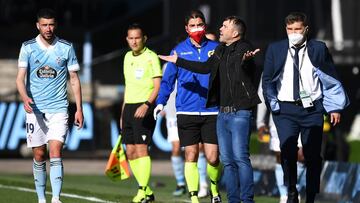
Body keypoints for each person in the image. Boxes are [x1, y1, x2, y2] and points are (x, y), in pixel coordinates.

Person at [159, 16, 261, 203]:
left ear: (235, 33)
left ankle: (247, 200)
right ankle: (232, 199)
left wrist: (247, 61)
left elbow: (248, 68)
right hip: (221, 112)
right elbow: (205, 68)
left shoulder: (245, 48)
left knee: (240, 158)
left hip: (240, 112)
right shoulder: (220, 49)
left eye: (224, 26)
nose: (220, 28)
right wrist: (178, 61)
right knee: (228, 162)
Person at [262, 12, 349, 203]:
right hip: (285, 110)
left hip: (312, 109)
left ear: (306, 29)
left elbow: (331, 78)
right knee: (287, 152)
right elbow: (267, 80)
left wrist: (334, 107)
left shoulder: (318, 48)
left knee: (312, 155)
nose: (293, 33)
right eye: (290, 29)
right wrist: (273, 105)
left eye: (297, 29)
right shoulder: (275, 49)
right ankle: (291, 190)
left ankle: (310, 196)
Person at [15, 8, 84, 203]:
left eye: (51, 24)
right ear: (38, 25)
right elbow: (20, 79)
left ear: (56, 25)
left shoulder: (66, 47)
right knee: (39, 154)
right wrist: (24, 97)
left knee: (55, 151)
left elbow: (74, 79)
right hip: (35, 109)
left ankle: (55, 198)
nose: (48, 28)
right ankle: (41, 199)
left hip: (59, 108)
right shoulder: (28, 47)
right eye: (44, 25)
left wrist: (79, 108)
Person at [154, 10, 222, 203]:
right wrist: (160, 102)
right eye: (192, 26)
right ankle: (193, 198)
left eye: (199, 24)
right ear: (186, 28)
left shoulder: (217, 48)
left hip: (212, 110)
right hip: (186, 111)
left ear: (205, 26)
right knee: (190, 154)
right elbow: (167, 82)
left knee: (213, 157)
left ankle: (214, 191)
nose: (196, 28)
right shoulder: (177, 51)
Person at [120, 23, 162, 203]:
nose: (134, 41)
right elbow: (128, 87)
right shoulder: (127, 56)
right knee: (130, 152)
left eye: (137, 37)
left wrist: (146, 104)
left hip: (144, 106)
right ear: (127, 39)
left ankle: (141, 191)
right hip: (129, 108)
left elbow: (158, 86)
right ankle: (149, 191)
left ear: (144, 39)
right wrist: (122, 114)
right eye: (131, 38)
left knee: (141, 149)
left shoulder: (151, 57)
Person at [161, 63, 209, 198]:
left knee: (198, 148)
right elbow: (165, 84)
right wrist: (162, 105)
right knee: (176, 148)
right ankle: (181, 183)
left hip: (190, 111)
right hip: (172, 113)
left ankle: (203, 184)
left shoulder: (194, 62)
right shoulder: (167, 66)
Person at [257, 78, 306, 203]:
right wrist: (261, 122)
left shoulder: (306, 60)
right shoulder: (273, 61)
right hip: (279, 116)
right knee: (281, 155)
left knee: (301, 155)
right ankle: (284, 194)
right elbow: (263, 94)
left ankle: (294, 189)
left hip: (303, 114)